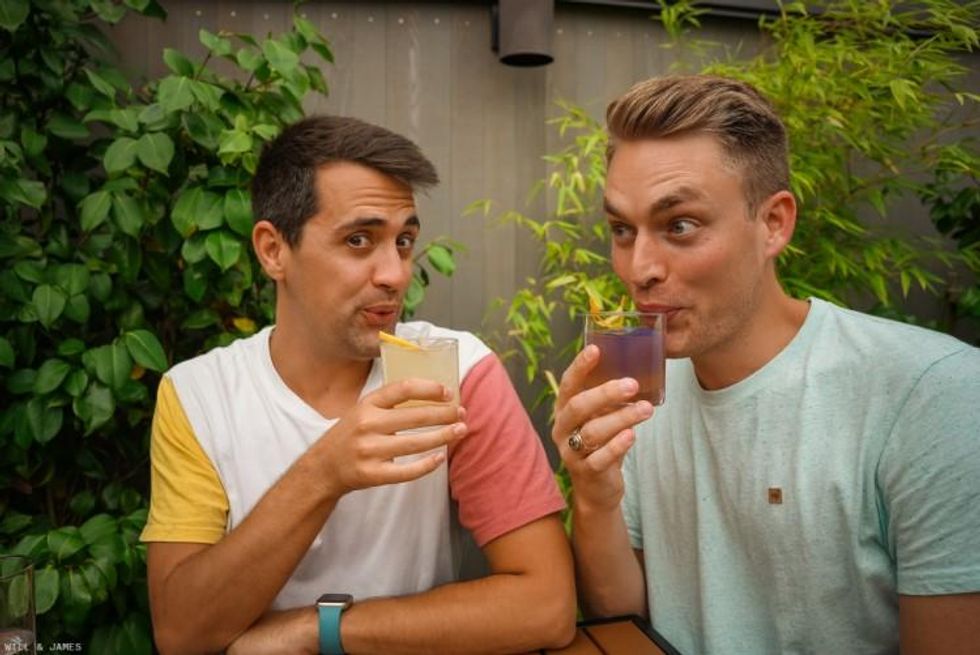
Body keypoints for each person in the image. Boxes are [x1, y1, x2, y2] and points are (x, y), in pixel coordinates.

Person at [552, 74, 980, 654]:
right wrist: (594, 493)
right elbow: (622, 619)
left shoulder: (932, 395)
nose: (639, 268)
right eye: (622, 229)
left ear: (773, 223)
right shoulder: (642, 390)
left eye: (679, 225)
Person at [141, 115, 575, 655]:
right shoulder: (199, 396)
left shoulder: (456, 370)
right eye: (359, 240)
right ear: (274, 250)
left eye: (404, 241)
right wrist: (324, 473)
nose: (394, 273)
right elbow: (181, 635)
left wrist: (318, 631)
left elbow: (547, 607)